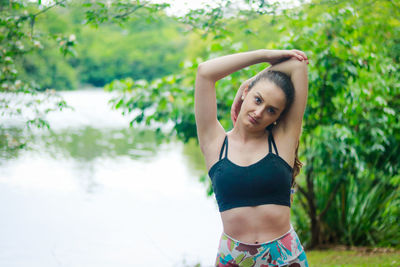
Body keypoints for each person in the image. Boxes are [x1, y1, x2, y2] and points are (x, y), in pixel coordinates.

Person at [194, 49, 310, 267]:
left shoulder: (282, 141)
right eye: (257, 99)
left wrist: (252, 80)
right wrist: (265, 56)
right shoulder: (215, 143)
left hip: (284, 258)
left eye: (271, 110)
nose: (259, 112)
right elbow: (205, 72)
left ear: (278, 117)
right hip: (233, 259)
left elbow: (298, 66)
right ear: (246, 93)